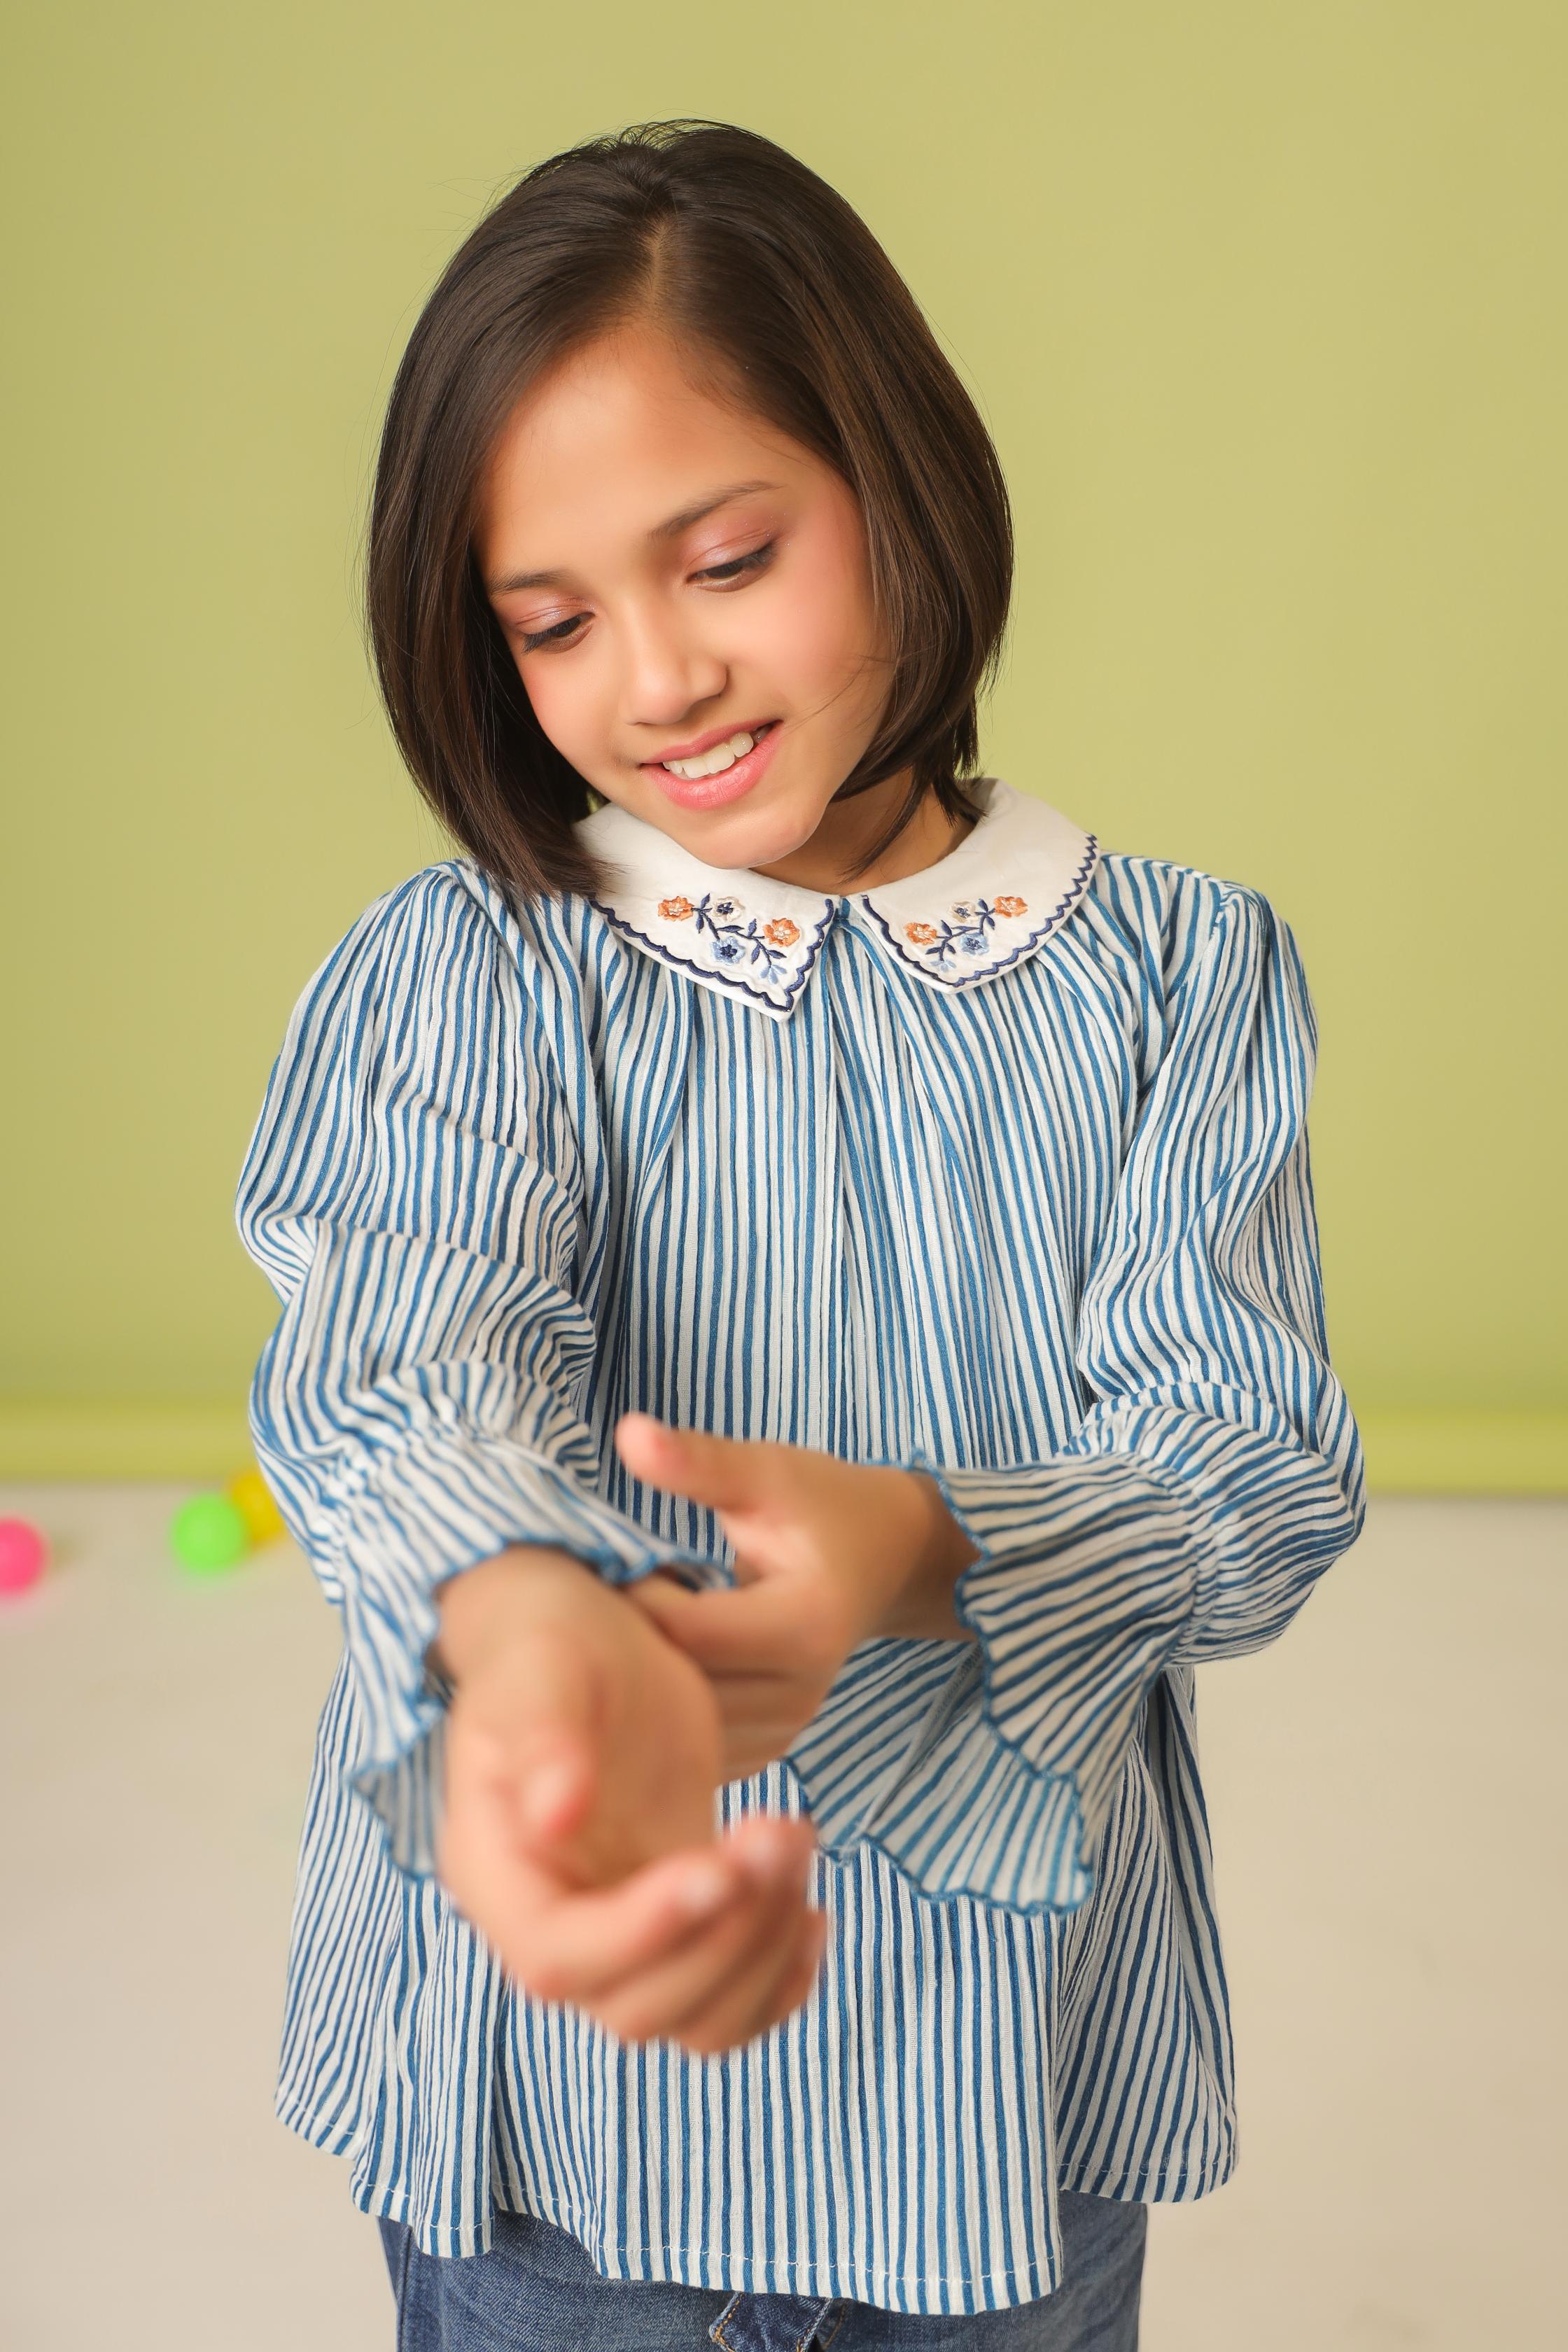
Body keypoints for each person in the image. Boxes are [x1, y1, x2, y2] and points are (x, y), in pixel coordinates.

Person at [234, 118, 1365, 2350]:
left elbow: (1253, 1466)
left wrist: (921, 1547)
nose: (654, 681)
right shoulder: (476, 972)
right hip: (561, 2135)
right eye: (550, 620)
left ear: (896, 482)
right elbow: (400, 1371)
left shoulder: (1177, 974)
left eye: (727, 558)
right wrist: (541, 1625)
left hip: (1001, 2105)